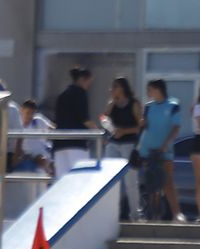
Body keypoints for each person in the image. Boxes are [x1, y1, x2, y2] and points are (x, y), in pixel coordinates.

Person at [138, 79, 186, 222]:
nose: (147, 92)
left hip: (165, 150)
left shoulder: (173, 105)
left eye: (149, 89)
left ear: (158, 89)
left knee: (167, 182)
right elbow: (145, 127)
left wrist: (166, 143)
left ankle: (177, 214)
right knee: (152, 184)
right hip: (147, 150)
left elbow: (176, 127)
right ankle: (154, 216)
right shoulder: (148, 106)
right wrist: (142, 123)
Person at [102, 77, 144, 221]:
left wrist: (124, 131)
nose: (112, 90)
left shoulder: (134, 104)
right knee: (110, 179)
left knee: (130, 181)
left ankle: (135, 215)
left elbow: (141, 127)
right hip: (113, 144)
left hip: (129, 144)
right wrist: (111, 104)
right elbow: (103, 119)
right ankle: (112, 214)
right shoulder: (112, 104)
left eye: (115, 87)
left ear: (122, 88)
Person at [53, 66, 99, 179]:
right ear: (82, 79)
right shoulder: (80, 93)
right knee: (80, 179)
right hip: (76, 143)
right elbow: (84, 119)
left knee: (62, 180)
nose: (88, 86)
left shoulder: (62, 95)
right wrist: (98, 132)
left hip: (59, 143)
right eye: (88, 82)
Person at [15, 99, 54, 174]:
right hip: (29, 155)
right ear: (21, 110)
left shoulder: (38, 121)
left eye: (32, 113)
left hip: (44, 151)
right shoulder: (17, 125)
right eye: (27, 113)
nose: (29, 116)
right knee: (42, 160)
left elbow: (53, 129)